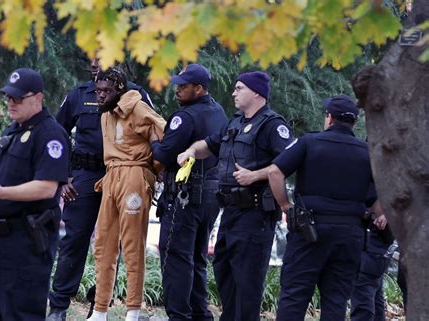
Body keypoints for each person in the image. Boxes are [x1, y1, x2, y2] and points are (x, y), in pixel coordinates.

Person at [177, 71, 293, 321]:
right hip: (230, 213)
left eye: (239, 88)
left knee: (247, 281)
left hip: (256, 214)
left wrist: (255, 175)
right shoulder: (235, 123)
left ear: (257, 93)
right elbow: (208, 145)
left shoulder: (273, 125)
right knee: (224, 271)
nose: (233, 92)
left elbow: (287, 164)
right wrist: (189, 151)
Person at [47, 59, 155, 321]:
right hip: (83, 175)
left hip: (123, 174)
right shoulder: (79, 94)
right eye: (91, 57)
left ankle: (100, 306)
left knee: (115, 243)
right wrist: (63, 177)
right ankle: (59, 306)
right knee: (74, 238)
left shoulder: (135, 95)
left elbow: (154, 132)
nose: (95, 62)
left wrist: (149, 176)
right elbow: (57, 134)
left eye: (101, 54)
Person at [268, 94, 384, 321]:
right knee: (336, 300)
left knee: (295, 295)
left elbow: (274, 171)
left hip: (309, 230)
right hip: (350, 234)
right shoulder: (367, 152)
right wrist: (375, 214)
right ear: (352, 122)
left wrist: (285, 205)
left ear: (329, 118)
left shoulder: (308, 142)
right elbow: (382, 193)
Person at [0, 68, 70, 321]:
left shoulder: (50, 134)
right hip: (1, 240)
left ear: (37, 98)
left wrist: (1, 194)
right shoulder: (12, 131)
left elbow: (47, 187)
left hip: (26, 242)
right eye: (7, 98)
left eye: (17, 98)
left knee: (20, 314)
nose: (10, 103)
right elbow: (3, 179)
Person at [88, 68, 166, 321]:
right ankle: (100, 310)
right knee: (103, 245)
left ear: (119, 90)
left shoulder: (138, 107)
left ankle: (132, 311)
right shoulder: (105, 114)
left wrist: (155, 169)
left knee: (132, 246)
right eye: (98, 90)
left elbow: (164, 132)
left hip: (134, 176)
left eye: (106, 91)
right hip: (111, 175)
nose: (100, 95)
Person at [151, 64, 228, 321]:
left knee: (175, 255)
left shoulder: (185, 117)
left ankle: (179, 316)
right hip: (209, 194)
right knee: (196, 257)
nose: (177, 90)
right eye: (177, 84)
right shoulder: (218, 111)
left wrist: (152, 138)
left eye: (184, 86)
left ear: (199, 88)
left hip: (185, 196)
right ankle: (200, 315)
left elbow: (163, 153)